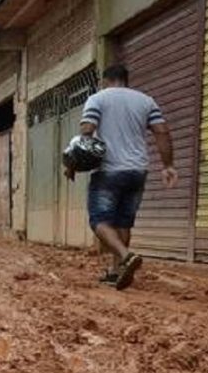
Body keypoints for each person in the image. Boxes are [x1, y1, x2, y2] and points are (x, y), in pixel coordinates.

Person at [69, 64, 176, 290]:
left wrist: (73, 163)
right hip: (138, 171)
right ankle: (117, 272)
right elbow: (162, 131)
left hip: (109, 170)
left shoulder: (98, 99)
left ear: (104, 79)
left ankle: (126, 256)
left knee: (99, 221)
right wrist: (168, 165)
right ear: (126, 79)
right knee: (123, 222)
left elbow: (87, 130)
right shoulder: (146, 101)